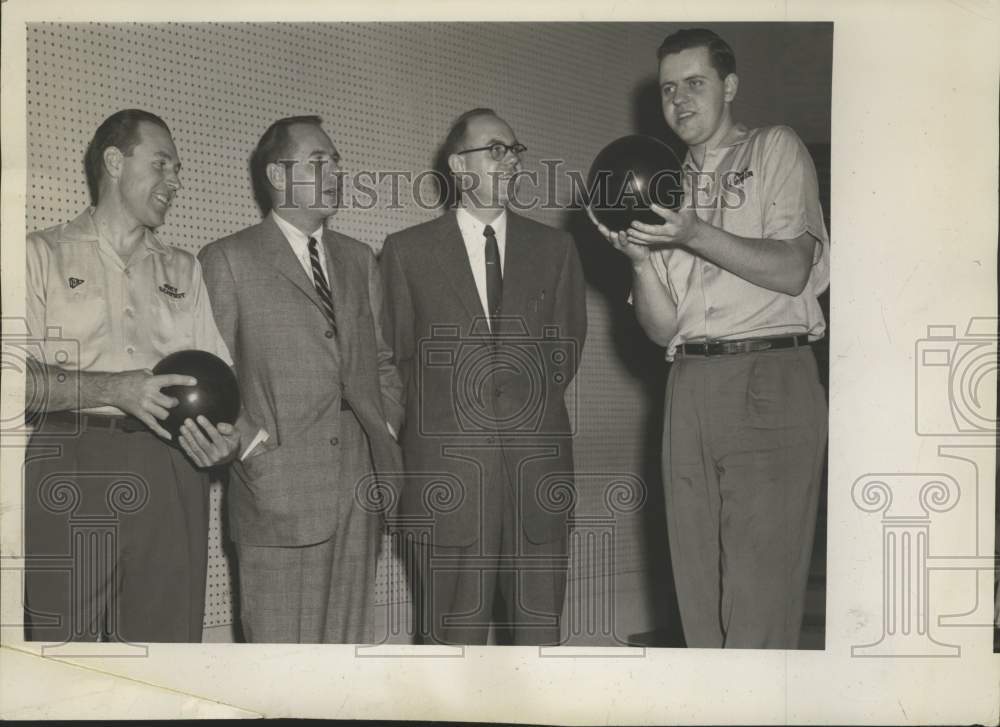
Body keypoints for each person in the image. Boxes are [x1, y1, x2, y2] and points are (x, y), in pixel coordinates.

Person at [592, 28, 830, 648]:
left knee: (758, 599)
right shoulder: (661, 183)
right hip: (689, 383)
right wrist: (640, 260)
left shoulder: (774, 149)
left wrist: (693, 234)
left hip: (768, 378)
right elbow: (662, 327)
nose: (680, 100)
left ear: (728, 87)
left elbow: (792, 268)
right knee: (698, 597)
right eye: (669, 89)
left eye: (695, 83)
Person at [23, 108, 241, 643]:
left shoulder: (184, 270)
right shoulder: (39, 254)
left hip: (172, 467)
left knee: (165, 647)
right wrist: (116, 389)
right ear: (115, 162)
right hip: (71, 458)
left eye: (178, 169)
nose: (176, 182)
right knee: (61, 646)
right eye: (162, 164)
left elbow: (222, 387)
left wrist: (223, 444)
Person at [381, 108, 587, 645]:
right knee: (453, 652)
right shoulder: (407, 254)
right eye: (494, 149)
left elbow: (564, 356)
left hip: (537, 479)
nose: (509, 161)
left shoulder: (556, 250)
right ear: (457, 165)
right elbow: (395, 366)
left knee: (539, 647)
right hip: (449, 485)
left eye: (514, 150)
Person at [198, 116, 404, 644]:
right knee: (280, 661)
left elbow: (382, 362)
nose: (335, 170)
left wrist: (386, 428)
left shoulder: (359, 259)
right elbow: (211, 373)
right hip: (276, 488)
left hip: (361, 485)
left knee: (348, 653)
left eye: (336, 161)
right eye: (319, 161)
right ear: (277, 174)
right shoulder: (228, 259)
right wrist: (252, 449)